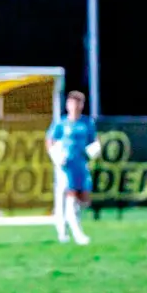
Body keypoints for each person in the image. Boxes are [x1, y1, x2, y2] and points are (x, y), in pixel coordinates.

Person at [46, 90, 100, 245]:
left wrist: (95, 149)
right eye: (72, 103)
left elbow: (93, 141)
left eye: (78, 103)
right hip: (64, 166)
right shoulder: (61, 123)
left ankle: (67, 226)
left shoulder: (87, 123)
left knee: (82, 200)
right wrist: (56, 156)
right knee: (68, 197)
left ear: (82, 105)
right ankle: (71, 233)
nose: (75, 106)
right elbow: (50, 140)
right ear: (67, 105)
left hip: (80, 165)